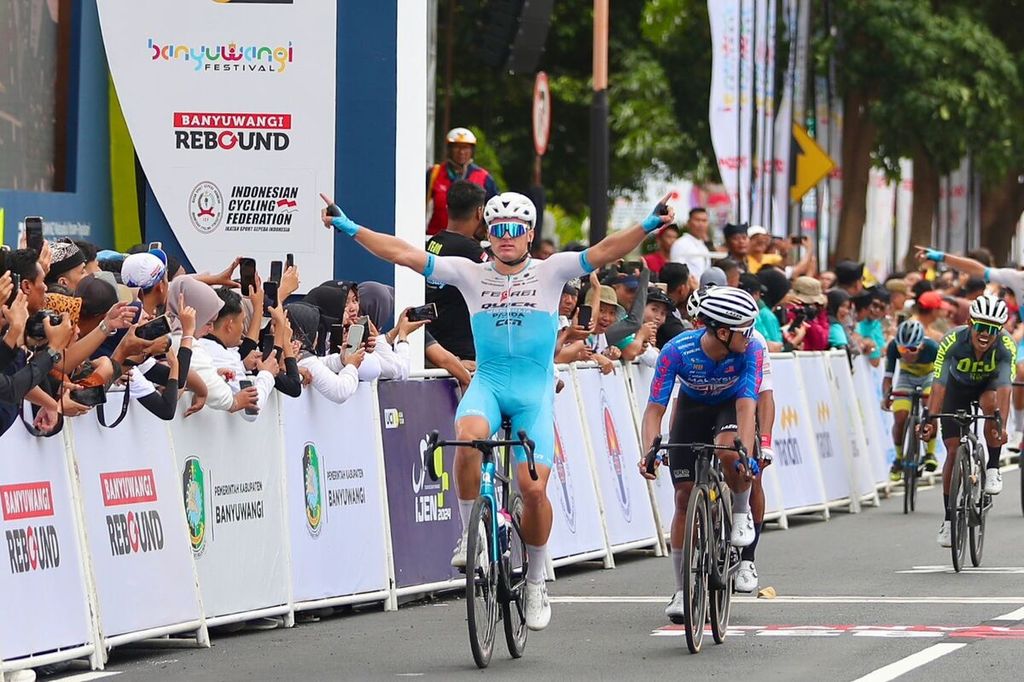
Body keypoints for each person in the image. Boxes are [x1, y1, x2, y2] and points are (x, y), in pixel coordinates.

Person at [322, 188, 676, 631]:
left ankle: (535, 580)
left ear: (529, 234)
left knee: (532, 489)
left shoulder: (552, 271)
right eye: (498, 229)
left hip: (533, 391)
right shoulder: (471, 274)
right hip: (488, 382)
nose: (506, 237)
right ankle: (471, 531)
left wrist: (647, 225)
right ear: (488, 233)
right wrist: (350, 227)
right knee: (467, 435)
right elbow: (403, 253)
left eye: (515, 230)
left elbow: (605, 250)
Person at [640, 286, 764, 618]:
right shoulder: (676, 351)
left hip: (730, 406)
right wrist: (650, 450)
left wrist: (747, 455)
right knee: (683, 498)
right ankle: (682, 592)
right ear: (722, 331)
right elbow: (654, 410)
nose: (751, 335)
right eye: (745, 329)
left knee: (728, 451)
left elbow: (747, 406)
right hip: (692, 408)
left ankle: (739, 514)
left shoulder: (750, 351)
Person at [920, 295, 1015, 548]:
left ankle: (992, 468)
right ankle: (949, 520)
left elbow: (1006, 388)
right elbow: (938, 385)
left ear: (1000, 330)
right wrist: (929, 419)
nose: (985, 334)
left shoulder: (1006, 346)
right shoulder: (952, 340)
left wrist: (1002, 425)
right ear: (971, 323)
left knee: (991, 406)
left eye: (992, 329)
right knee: (952, 450)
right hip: (956, 389)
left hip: (988, 387)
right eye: (981, 327)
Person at [425, 180, 489, 362]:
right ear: (480, 212)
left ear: (447, 207)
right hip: (462, 356)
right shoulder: (471, 251)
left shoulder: (434, 242)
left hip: (436, 346)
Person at [881, 320, 940, 480]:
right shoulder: (893, 347)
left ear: (921, 345)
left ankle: (930, 453)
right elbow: (888, 377)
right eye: (902, 349)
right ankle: (899, 459)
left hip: (929, 377)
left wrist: (937, 398)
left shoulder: (933, 348)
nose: (906, 353)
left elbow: (941, 380)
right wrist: (886, 395)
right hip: (906, 378)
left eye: (912, 349)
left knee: (931, 408)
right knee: (900, 417)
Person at [425, 127, 500, 236]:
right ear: (449, 149)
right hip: (436, 237)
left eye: (466, 148)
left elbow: (495, 209)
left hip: (469, 241)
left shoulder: (483, 177)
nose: (461, 152)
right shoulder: (434, 173)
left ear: (472, 150)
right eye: (457, 148)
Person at [669, 207, 713, 279]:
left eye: (704, 221)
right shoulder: (680, 244)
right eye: (697, 220)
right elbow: (677, 273)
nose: (701, 224)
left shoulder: (704, 247)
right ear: (688, 223)